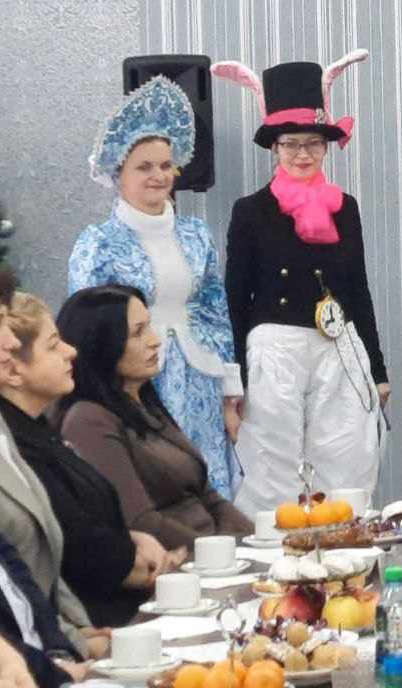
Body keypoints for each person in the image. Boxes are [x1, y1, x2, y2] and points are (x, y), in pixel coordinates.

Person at [213, 52, 389, 516]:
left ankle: (342, 549)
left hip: (338, 345)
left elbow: (358, 288)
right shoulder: (250, 211)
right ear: (275, 148)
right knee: (271, 467)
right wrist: (235, 379)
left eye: (312, 143)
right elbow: (234, 298)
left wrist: (377, 369)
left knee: (347, 458)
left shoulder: (345, 207)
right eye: (291, 144)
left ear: (326, 147)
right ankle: (275, 556)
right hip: (274, 350)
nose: (303, 154)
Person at [68, 75, 242, 498]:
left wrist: (229, 392)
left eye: (166, 166)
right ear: (118, 173)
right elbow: (87, 331)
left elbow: (215, 313)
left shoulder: (195, 234)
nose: (158, 176)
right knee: (156, 485)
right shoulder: (98, 243)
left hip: (200, 379)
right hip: (136, 387)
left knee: (208, 485)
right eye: (144, 167)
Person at [0, 292, 184, 625]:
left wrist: (132, 539)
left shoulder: (39, 430)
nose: (71, 351)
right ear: (13, 369)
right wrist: (135, 559)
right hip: (101, 617)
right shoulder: (17, 440)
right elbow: (74, 543)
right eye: (53, 345)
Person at [56, 285, 251, 551]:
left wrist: (257, 543)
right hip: (176, 562)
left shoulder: (145, 403)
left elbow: (210, 497)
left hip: (214, 553)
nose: (155, 340)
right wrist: (220, 552)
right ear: (101, 344)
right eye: (138, 332)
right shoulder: (88, 420)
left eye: (150, 326)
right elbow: (139, 522)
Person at [0, 272, 100, 661]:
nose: (10, 341)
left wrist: (77, 633)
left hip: (51, 641)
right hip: (21, 657)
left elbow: (46, 557)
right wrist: (63, 651)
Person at [0, 526, 88, 688]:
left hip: (45, 665)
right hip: (37, 672)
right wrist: (54, 672)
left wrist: (59, 652)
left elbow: (29, 587)